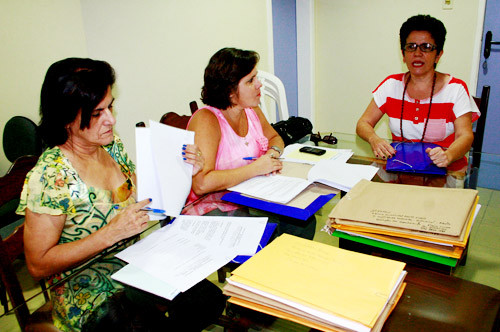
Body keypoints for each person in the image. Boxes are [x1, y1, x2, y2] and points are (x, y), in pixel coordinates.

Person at [17, 58, 225, 331]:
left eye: (110, 106)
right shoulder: (50, 177)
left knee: (208, 300)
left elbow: (146, 200)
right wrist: (110, 234)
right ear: (67, 117)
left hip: (135, 263)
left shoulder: (111, 146)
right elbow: (37, 264)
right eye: (97, 113)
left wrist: (183, 172)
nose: (111, 120)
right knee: (140, 324)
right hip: (87, 290)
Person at [185, 47, 315, 239]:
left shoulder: (251, 109)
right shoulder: (207, 120)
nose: (259, 84)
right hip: (212, 207)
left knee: (303, 222)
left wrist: (271, 155)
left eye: (256, 77)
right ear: (229, 90)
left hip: (250, 197)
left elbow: (275, 138)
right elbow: (201, 184)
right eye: (250, 80)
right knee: (270, 231)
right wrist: (255, 168)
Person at [356, 14, 480, 186]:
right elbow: (363, 123)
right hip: (398, 169)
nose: (417, 53)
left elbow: (465, 136)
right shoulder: (391, 85)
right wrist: (374, 139)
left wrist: (449, 155)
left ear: (438, 55)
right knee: (366, 200)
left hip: (446, 172)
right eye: (411, 46)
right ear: (403, 54)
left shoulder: (455, 89)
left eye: (426, 47)